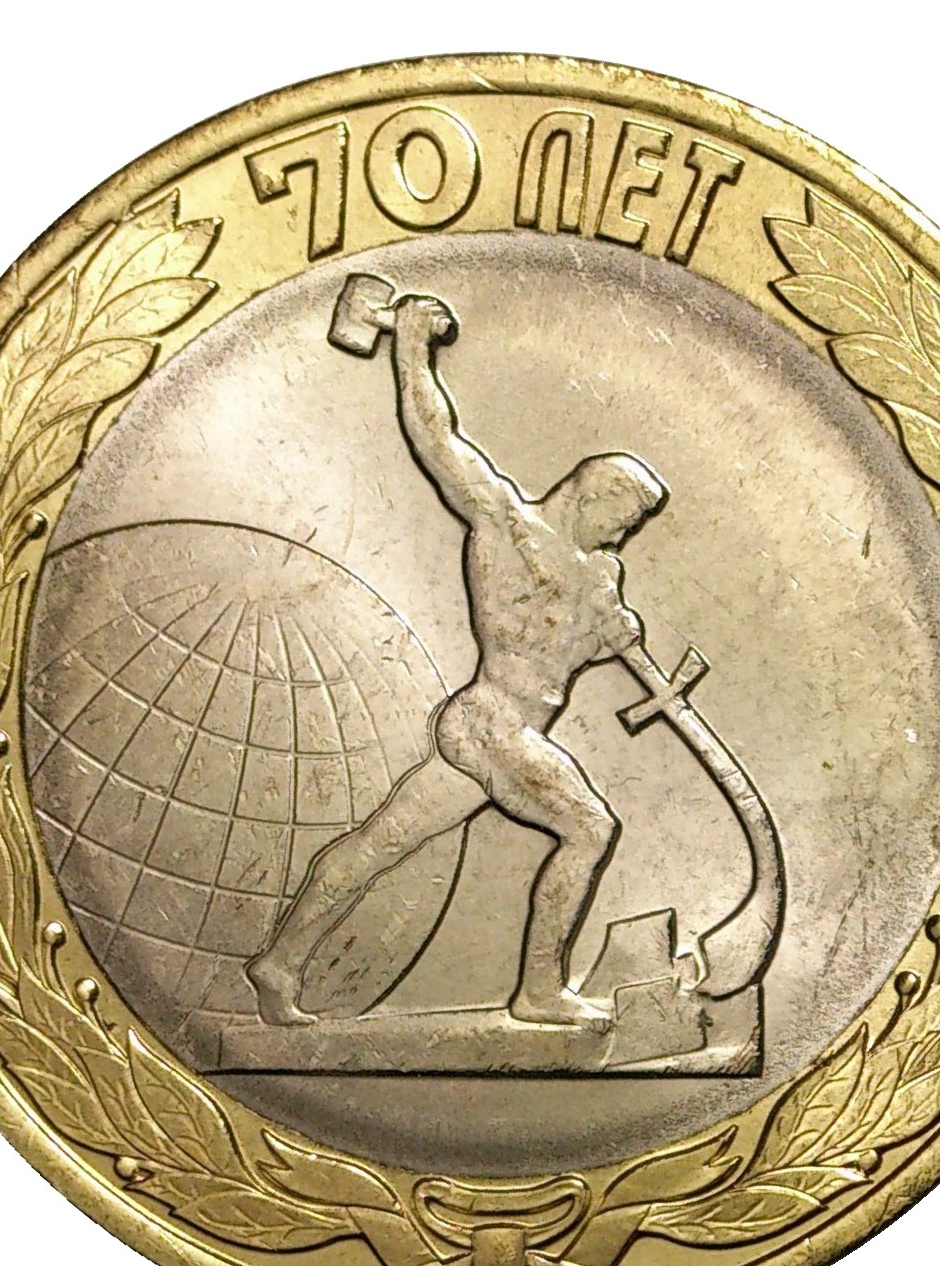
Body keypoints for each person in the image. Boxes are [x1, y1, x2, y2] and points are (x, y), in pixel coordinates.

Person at [247, 292, 667, 1028]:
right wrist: (412, 346)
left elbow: (561, 656)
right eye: (622, 519)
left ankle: (277, 963)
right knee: (589, 828)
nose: (623, 536)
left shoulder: (598, 573)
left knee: (381, 845)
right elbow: (437, 437)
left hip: (498, 728)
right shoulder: (506, 522)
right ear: (591, 494)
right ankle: (539, 991)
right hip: (496, 721)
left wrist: (607, 632)